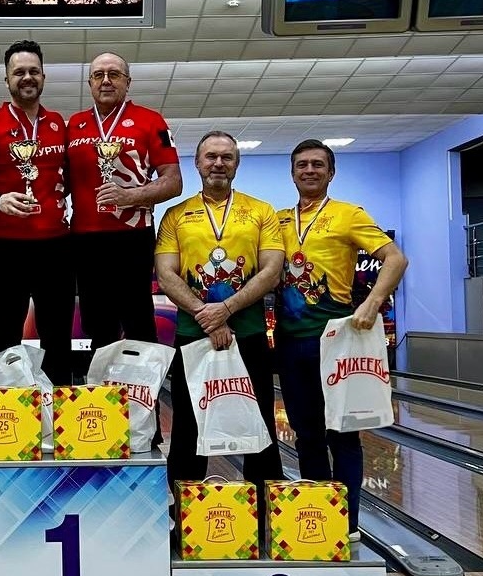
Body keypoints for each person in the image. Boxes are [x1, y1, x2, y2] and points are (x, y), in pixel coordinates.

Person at [275, 139, 408, 541]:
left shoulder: (349, 214)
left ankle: (347, 524)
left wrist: (372, 302)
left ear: (331, 173)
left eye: (318, 164)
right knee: (307, 435)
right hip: (290, 342)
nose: (309, 170)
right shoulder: (277, 221)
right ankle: (319, 515)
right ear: (292, 173)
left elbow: (395, 258)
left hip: (336, 342)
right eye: (302, 165)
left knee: (343, 433)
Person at [155, 131, 285, 504]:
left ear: (236, 164)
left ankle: (265, 516)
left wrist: (225, 309)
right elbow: (166, 273)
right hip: (192, 334)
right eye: (211, 156)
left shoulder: (261, 211)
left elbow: (271, 270)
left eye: (227, 157)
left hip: (249, 333)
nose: (218, 163)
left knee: (259, 426)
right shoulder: (176, 215)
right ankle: (183, 514)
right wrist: (206, 314)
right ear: (197, 163)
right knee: (187, 428)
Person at [0, 40, 74, 384]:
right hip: (4, 249)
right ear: (6, 79)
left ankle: (56, 412)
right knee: (5, 337)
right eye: (19, 72)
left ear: (44, 77)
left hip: (55, 247)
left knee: (58, 337)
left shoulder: (58, 124)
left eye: (34, 71)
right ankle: (7, 413)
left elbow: (69, 176)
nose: (27, 77)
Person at [66, 51, 182, 354]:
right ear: (90, 83)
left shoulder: (151, 121)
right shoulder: (74, 124)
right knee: (97, 324)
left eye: (114, 74)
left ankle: (145, 384)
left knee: (138, 320)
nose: (106, 80)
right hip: (85, 239)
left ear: (127, 82)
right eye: (98, 75)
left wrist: (129, 196)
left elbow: (173, 181)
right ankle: (102, 384)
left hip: (133, 236)